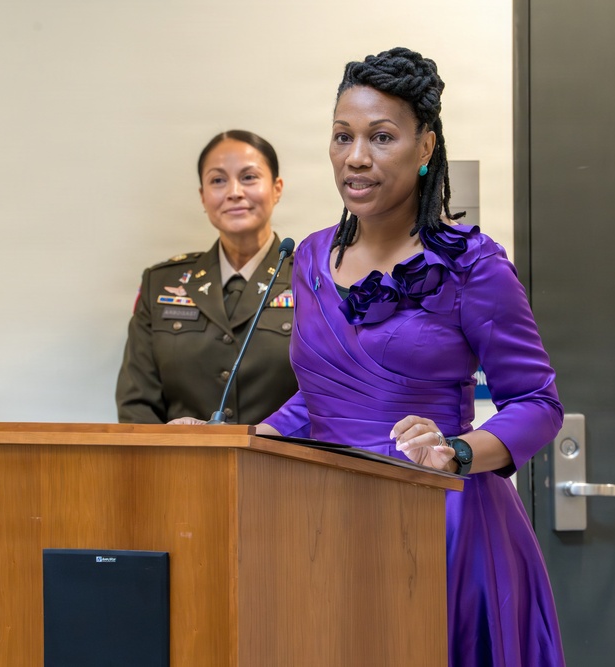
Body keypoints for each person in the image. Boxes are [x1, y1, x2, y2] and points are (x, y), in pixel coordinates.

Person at [257, 48, 566, 666]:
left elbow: (537, 404)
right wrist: (240, 441)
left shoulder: (473, 266)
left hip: (442, 527)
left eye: (382, 137)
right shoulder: (311, 258)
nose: (356, 157)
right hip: (327, 528)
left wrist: (454, 451)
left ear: (426, 148)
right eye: (342, 136)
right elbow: (323, 396)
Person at [116, 130, 298, 424]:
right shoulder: (160, 284)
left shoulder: (313, 279)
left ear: (277, 188)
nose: (234, 191)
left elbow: (330, 397)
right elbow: (136, 405)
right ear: (203, 196)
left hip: (285, 468)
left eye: (249, 177)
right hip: (180, 468)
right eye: (218, 180)